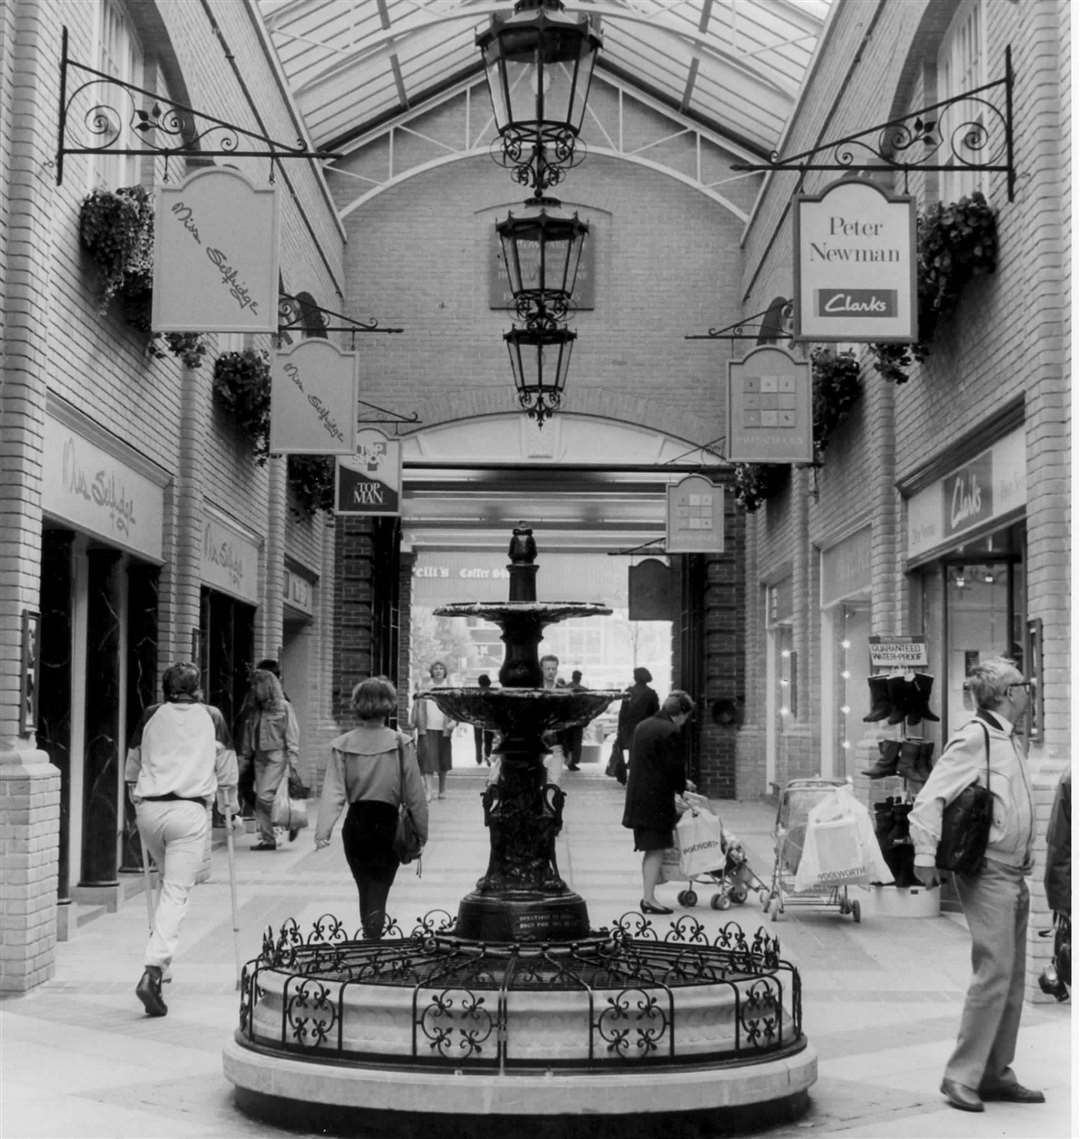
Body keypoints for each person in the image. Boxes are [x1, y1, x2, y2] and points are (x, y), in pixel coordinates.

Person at [909, 656, 1042, 1113]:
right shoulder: (975, 737)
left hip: (1014, 872)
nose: (1030, 690)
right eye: (1024, 684)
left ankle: (995, 1073)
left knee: (1010, 978)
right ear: (1007, 693)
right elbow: (929, 799)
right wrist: (925, 858)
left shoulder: (1006, 739)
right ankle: (960, 1076)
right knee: (993, 974)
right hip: (988, 873)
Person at [124, 662, 240, 1017]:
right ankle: (153, 971)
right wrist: (230, 809)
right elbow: (227, 768)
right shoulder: (213, 716)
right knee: (176, 890)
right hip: (188, 812)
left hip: (150, 810)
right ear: (198, 687)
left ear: (165, 687)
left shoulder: (150, 715)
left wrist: (135, 797)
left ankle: (162, 961)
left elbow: (133, 763)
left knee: (165, 883)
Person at [315, 676, 429, 938]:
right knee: (380, 887)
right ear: (388, 705)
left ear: (358, 705)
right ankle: (373, 941)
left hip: (356, 823)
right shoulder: (401, 744)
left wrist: (323, 831)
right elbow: (415, 795)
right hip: (387, 822)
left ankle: (370, 937)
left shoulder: (343, 745)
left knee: (364, 885)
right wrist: (422, 832)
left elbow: (333, 792)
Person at [621, 690, 696, 915]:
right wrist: (683, 788)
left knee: (650, 848)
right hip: (656, 801)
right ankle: (649, 899)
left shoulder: (643, 725)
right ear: (681, 713)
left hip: (638, 797)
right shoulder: (670, 731)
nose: (685, 722)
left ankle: (648, 895)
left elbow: (651, 761)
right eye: (686, 717)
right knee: (655, 849)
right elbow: (674, 767)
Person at [240, 668, 300, 850]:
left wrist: (293, 761)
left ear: (266, 686)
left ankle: (289, 822)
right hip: (258, 757)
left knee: (265, 797)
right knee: (261, 798)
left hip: (276, 756)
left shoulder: (283, 707)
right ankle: (268, 839)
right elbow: (248, 736)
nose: (254, 689)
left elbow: (292, 734)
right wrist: (244, 759)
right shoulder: (255, 710)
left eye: (256, 685)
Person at [411, 660, 456, 800]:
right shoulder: (425, 688)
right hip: (426, 728)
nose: (438, 671)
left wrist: (454, 722)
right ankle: (428, 791)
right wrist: (414, 721)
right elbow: (417, 705)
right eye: (435, 668)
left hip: (444, 729)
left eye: (441, 668)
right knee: (427, 760)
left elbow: (456, 708)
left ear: (444, 672)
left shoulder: (450, 689)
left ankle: (442, 789)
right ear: (431, 671)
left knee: (443, 760)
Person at [611, 667, 660, 784]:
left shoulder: (628, 692)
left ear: (635, 677)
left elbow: (622, 713)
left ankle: (632, 776)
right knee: (642, 754)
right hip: (645, 728)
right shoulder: (651, 694)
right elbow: (656, 713)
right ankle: (640, 777)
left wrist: (619, 729)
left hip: (629, 728)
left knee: (632, 753)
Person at [540, 653, 567, 785]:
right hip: (536, 744)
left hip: (556, 744)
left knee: (553, 783)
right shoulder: (534, 690)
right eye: (547, 668)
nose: (551, 672)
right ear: (541, 669)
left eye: (553, 668)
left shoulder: (563, 692)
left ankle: (548, 804)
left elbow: (567, 719)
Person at [564, 669, 585, 771]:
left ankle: (568, 761)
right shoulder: (583, 690)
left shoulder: (565, 688)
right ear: (579, 678)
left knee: (567, 742)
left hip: (567, 721)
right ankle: (572, 762)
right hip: (578, 721)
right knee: (575, 743)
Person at [473, 673, 495, 766]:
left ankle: (478, 758)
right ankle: (488, 757)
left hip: (477, 719)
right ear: (489, 682)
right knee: (488, 740)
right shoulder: (493, 693)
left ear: (479, 683)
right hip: (489, 719)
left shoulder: (475, 693)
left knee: (478, 739)